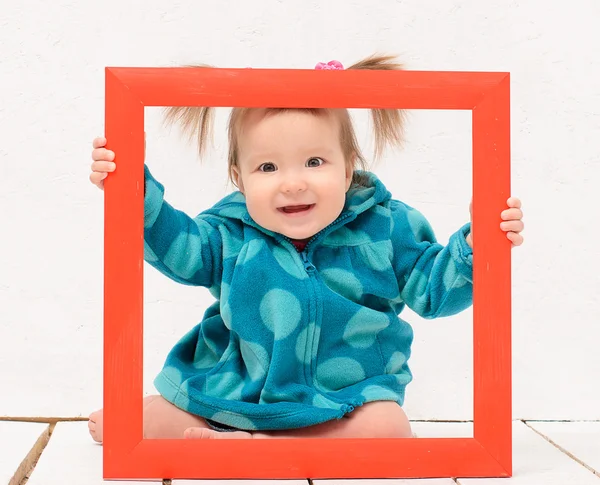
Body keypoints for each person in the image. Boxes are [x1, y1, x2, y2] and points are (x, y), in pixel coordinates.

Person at [87, 54, 524, 442]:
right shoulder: (229, 234)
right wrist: (131, 190)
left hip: (341, 402)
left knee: (388, 430)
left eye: (315, 162)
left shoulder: (388, 229)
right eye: (267, 166)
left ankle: (262, 451)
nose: (293, 182)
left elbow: (433, 291)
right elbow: (175, 246)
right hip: (235, 396)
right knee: (157, 422)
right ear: (239, 178)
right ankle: (200, 431)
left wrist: (476, 244)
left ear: (349, 165)